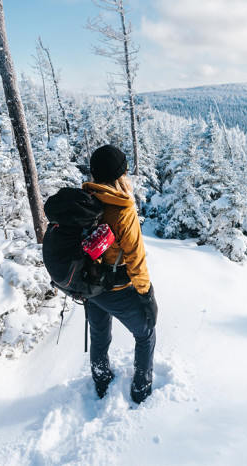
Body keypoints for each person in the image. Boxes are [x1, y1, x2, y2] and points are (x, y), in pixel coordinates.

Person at [82, 144, 158, 404]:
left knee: (100, 337)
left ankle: (101, 381)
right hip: (117, 290)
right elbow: (136, 259)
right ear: (119, 176)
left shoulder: (86, 200)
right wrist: (147, 295)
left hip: (91, 288)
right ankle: (141, 389)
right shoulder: (122, 209)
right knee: (146, 333)